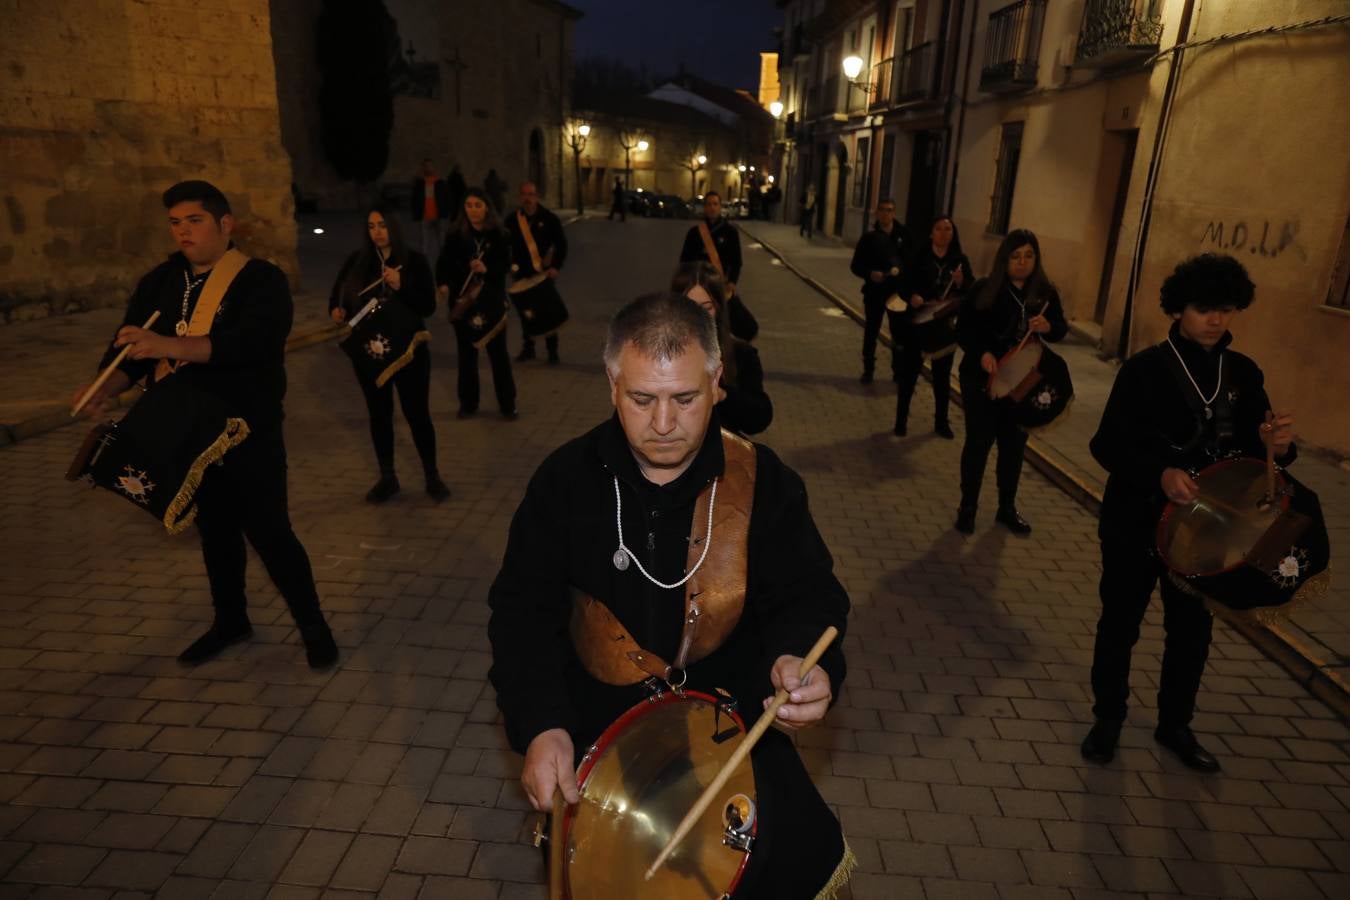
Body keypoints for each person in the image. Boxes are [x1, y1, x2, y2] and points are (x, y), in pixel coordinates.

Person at [487, 293, 853, 899]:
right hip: (600, 740)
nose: (663, 423)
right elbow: (521, 615)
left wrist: (804, 660)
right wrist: (541, 724)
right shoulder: (565, 481)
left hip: (730, 736)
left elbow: (810, 596)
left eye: (684, 399)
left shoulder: (766, 483)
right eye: (641, 399)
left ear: (716, 384)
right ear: (611, 385)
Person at [71, 180, 338, 669]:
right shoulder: (159, 281)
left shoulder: (261, 280)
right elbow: (128, 351)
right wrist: (103, 388)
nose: (183, 233)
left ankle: (314, 626)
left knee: (270, 531)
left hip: (246, 427)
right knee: (215, 531)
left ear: (225, 224)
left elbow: (251, 345)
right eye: (175, 223)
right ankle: (230, 621)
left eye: (194, 221)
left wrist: (169, 346)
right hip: (186, 429)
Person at [1082, 254, 1295, 772]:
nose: (1216, 320)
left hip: (1207, 528)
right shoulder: (1144, 370)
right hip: (1136, 522)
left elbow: (1256, 453)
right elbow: (1106, 444)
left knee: (1191, 629)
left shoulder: (1242, 373)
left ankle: (1175, 723)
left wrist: (1280, 447)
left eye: (1225, 309)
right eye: (1204, 309)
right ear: (1179, 308)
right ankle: (1108, 718)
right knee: (1120, 623)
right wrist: (1159, 474)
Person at [328, 207, 449, 504]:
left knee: (416, 414)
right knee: (379, 414)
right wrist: (337, 309)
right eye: (371, 226)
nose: (377, 231)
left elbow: (428, 306)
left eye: (382, 225)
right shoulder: (358, 261)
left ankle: (432, 475)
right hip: (369, 352)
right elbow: (338, 294)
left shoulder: (414, 261)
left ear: (392, 227)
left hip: (409, 351)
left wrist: (400, 284)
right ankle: (387, 477)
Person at [954, 229, 1068, 535]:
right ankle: (967, 507)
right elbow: (963, 328)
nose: (1022, 262)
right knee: (979, 443)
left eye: (1028, 256)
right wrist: (982, 353)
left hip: (1023, 383)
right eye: (1015, 256)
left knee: (1014, 446)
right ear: (1005, 259)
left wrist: (1048, 326)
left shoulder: (1045, 293)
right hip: (982, 379)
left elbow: (1060, 329)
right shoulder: (984, 289)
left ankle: (1006, 507)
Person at [436, 187, 518, 419]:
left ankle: (508, 403)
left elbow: (505, 264)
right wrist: (442, 283)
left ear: (487, 208)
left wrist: (488, 268)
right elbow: (444, 262)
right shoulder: (455, 235)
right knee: (466, 356)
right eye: (469, 206)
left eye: (478, 206)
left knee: (498, 355)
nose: (473, 211)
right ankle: (468, 403)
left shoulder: (499, 235)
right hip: (464, 302)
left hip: (491, 301)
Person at [671, 261, 773, 435]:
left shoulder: (741, 354)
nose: (697, 316)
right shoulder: (658, 351)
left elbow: (759, 419)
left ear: (718, 308)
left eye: (706, 307)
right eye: (689, 307)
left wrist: (724, 396)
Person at [896, 214, 973, 438]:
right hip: (918, 325)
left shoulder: (959, 261)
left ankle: (941, 422)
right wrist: (912, 297)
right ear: (931, 233)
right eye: (939, 228)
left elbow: (971, 290)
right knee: (909, 375)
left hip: (944, 327)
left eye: (948, 229)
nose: (943, 233)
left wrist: (960, 282)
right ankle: (901, 420)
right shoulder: (918, 257)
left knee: (942, 378)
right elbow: (902, 285)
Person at [848, 198, 914, 385]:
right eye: (883, 210)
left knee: (898, 333)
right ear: (877, 213)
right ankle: (868, 369)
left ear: (894, 213)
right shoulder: (868, 238)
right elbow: (855, 266)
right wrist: (870, 274)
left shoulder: (904, 236)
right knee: (871, 331)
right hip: (874, 292)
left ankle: (898, 371)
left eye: (890, 210)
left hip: (897, 294)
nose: (886, 213)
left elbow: (912, 263)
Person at [679, 192, 756, 342]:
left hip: (721, 286)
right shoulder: (694, 233)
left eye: (715, 204)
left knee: (722, 324)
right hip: (699, 286)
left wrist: (732, 282)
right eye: (708, 204)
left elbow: (736, 261)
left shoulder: (731, 232)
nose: (712, 208)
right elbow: (684, 261)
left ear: (720, 207)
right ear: (704, 208)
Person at [506, 181, 569, 364]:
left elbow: (561, 245)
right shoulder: (511, 221)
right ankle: (529, 348)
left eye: (531, 194)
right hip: (521, 275)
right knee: (526, 313)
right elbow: (504, 245)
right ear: (520, 197)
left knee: (548, 311)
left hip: (543, 274)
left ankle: (552, 351)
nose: (528, 198)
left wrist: (556, 266)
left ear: (537, 196)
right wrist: (509, 266)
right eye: (524, 194)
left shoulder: (549, 219)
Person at [409, 158, 450, 260]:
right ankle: (424, 262)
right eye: (426, 166)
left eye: (430, 166)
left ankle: (444, 260)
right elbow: (415, 198)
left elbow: (446, 198)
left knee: (441, 242)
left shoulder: (440, 182)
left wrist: (446, 212)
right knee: (424, 244)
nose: (428, 168)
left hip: (438, 216)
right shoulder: (420, 183)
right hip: (425, 216)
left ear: (434, 167)